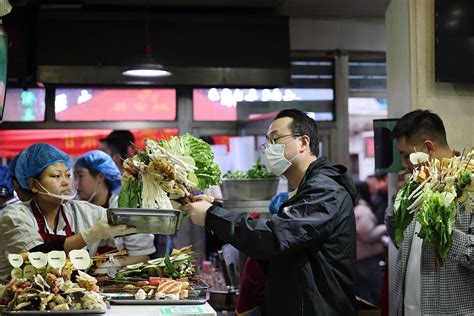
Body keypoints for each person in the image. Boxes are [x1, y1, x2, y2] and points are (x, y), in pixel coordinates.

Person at [183, 109, 357, 315]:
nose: (268, 149)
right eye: (267, 143)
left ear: (303, 143)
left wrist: (212, 215)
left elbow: (275, 237)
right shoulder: (302, 190)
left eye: (275, 139)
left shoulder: (325, 191)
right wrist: (216, 211)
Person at [0, 143, 137, 282]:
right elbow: (35, 256)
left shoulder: (80, 211)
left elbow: (129, 220)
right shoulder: (13, 216)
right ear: (33, 184)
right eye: (56, 176)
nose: (66, 182)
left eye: (67, 175)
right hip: (21, 297)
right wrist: (89, 235)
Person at [386, 109, 474, 315]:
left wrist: (442, 232)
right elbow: (398, 240)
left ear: (427, 148)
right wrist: (397, 202)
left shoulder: (470, 185)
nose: (404, 164)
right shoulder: (417, 182)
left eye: (406, 155)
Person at [74, 150, 155, 264]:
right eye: (74, 177)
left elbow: (143, 257)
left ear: (100, 177)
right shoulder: (76, 211)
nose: (76, 183)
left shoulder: (125, 209)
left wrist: (114, 265)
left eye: (80, 176)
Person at [354, 181, 387, 305]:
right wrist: (384, 228)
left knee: (364, 295)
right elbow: (367, 234)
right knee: (374, 293)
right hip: (367, 258)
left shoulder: (355, 209)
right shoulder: (362, 211)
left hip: (359, 257)